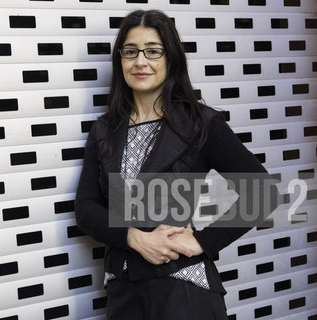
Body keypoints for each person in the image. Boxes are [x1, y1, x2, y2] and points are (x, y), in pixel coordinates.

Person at [75, 9, 280, 320]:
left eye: (152, 51)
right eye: (130, 52)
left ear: (170, 58)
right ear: (120, 60)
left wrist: (201, 241)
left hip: (182, 290)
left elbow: (262, 192)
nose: (140, 61)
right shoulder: (105, 130)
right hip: (123, 291)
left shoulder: (199, 123)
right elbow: (87, 207)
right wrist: (134, 237)